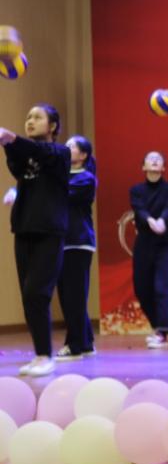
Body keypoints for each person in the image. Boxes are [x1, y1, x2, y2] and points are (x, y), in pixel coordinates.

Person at [0, 104, 70, 376]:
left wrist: (12, 138)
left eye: (37, 117)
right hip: (24, 230)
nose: (30, 121)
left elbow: (41, 152)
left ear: (52, 126)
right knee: (28, 297)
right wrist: (9, 145)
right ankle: (40, 354)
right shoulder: (28, 154)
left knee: (36, 293)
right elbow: (17, 166)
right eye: (28, 117)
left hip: (49, 231)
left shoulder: (60, 153)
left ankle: (45, 356)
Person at [129, 151, 168, 349]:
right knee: (142, 289)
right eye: (151, 158)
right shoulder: (136, 190)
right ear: (144, 167)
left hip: (165, 245)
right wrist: (151, 221)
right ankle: (158, 326)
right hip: (144, 244)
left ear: (163, 168)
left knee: (162, 288)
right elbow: (139, 209)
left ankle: (162, 333)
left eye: (159, 159)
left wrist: (162, 221)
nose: (155, 160)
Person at [55, 135, 98, 360]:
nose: (66, 148)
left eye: (71, 146)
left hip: (78, 242)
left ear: (83, 155)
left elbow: (60, 195)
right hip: (63, 242)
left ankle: (74, 345)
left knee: (74, 296)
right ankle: (86, 342)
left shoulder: (85, 178)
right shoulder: (63, 175)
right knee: (69, 295)